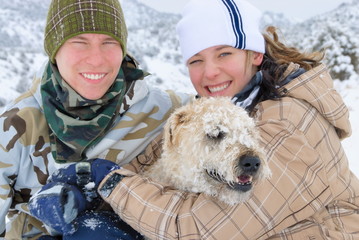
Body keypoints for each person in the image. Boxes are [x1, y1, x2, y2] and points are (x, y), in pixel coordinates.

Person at [94, 0, 359, 239]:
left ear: (255, 54)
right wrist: (94, 188)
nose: (210, 72)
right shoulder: (229, 107)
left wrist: (114, 184)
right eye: (196, 61)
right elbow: (169, 162)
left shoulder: (289, 120)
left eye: (224, 54)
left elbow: (201, 229)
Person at [0, 0, 189, 239]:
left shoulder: (169, 111)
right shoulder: (15, 126)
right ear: (54, 49)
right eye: (80, 42)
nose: (96, 59)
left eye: (109, 42)